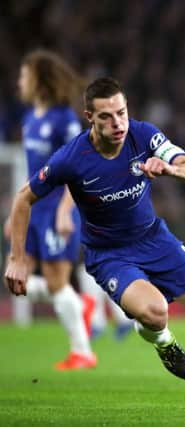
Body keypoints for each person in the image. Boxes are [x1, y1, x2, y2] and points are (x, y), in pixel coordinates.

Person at [4, 77, 185, 380]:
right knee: (156, 311)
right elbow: (22, 199)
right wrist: (17, 258)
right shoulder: (71, 158)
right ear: (90, 117)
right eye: (106, 116)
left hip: (155, 239)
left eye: (121, 113)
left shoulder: (143, 135)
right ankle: (164, 342)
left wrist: (170, 169)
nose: (117, 123)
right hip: (110, 255)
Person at [3, 49, 96, 370]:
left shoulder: (64, 120)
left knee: (56, 282)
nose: (20, 82)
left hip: (57, 208)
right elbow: (30, 175)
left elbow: (77, 168)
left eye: (24, 76)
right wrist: (15, 216)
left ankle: (82, 351)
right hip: (33, 211)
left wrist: (65, 210)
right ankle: (76, 302)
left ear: (39, 80)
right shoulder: (30, 119)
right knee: (14, 276)